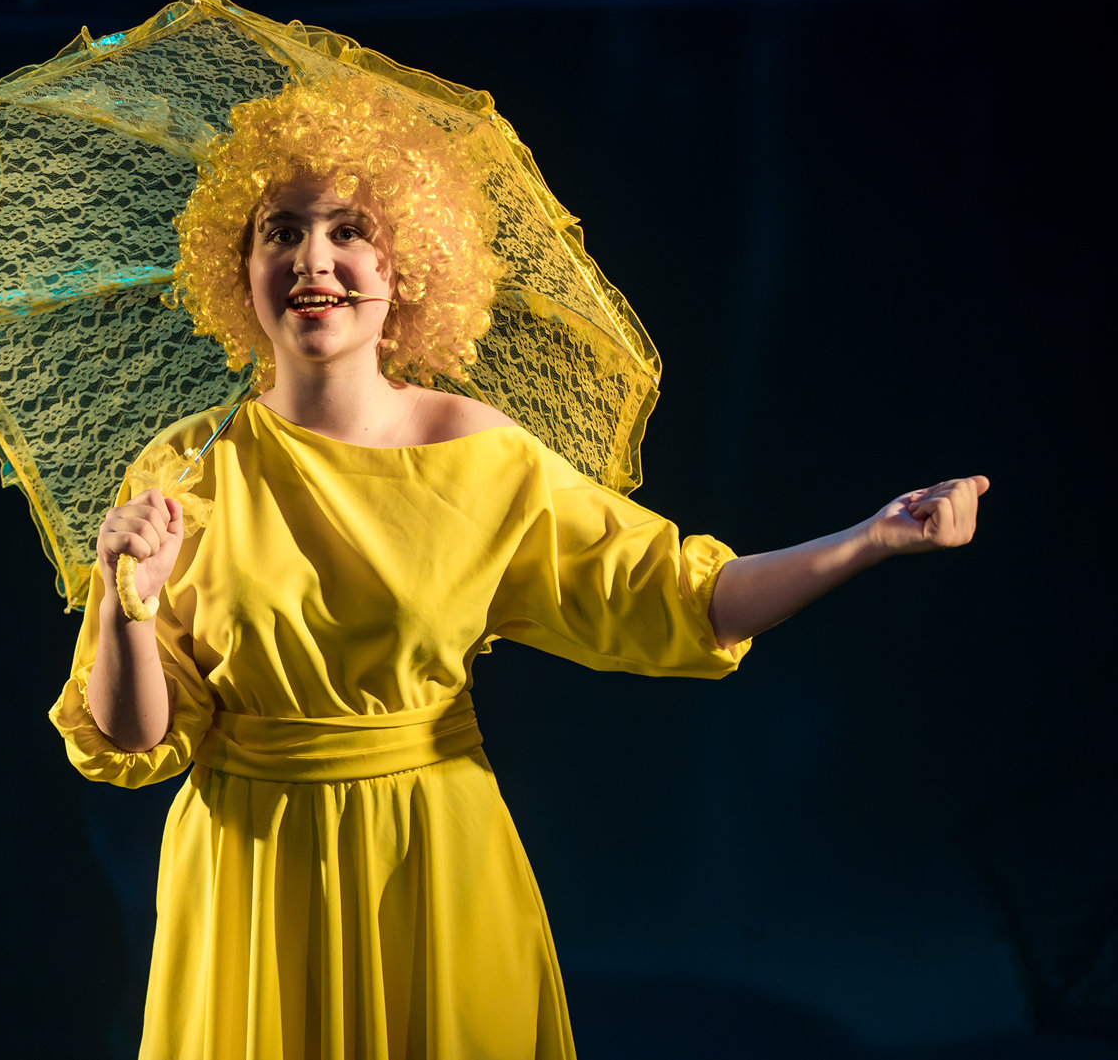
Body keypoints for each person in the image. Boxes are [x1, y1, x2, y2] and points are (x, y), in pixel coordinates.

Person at [50, 74, 986, 1058]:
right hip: (246, 881)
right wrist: (126, 608)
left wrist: (870, 538)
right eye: (280, 231)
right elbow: (131, 739)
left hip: (432, 866)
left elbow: (685, 598)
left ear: (404, 266)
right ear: (238, 270)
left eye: (347, 231)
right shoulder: (182, 471)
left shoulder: (478, 455)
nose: (312, 259)